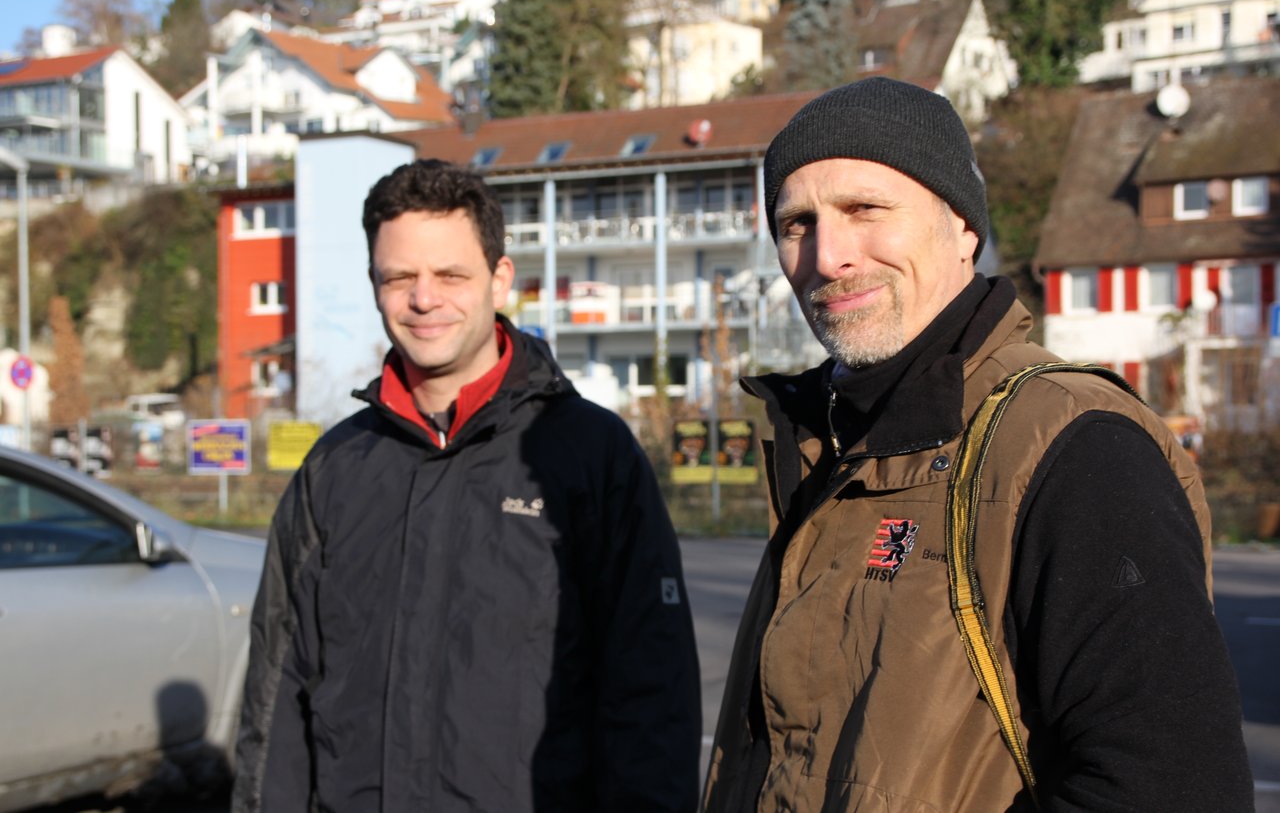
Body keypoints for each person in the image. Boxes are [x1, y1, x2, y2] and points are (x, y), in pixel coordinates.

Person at [702, 78, 1254, 811]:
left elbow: (1173, 787)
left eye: (865, 209)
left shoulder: (1077, 447)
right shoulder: (821, 442)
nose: (828, 256)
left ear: (962, 226)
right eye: (797, 223)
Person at [233, 159, 701, 812]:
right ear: (374, 284)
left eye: (450, 275)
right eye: (400, 277)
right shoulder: (333, 468)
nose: (424, 300)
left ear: (499, 278)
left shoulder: (590, 456)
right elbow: (277, 695)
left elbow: (651, 700)